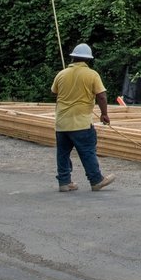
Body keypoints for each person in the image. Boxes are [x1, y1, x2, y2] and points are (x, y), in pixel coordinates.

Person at [51, 42, 116, 192]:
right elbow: (101, 96)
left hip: (61, 122)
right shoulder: (92, 74)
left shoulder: (61, 74)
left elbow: (54, 92)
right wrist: (104, 114)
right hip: (81, 122)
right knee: (87, 151)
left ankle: (64, 182)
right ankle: (96, 180)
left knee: (63, 153)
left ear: (73, 58)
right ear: (88, 59)